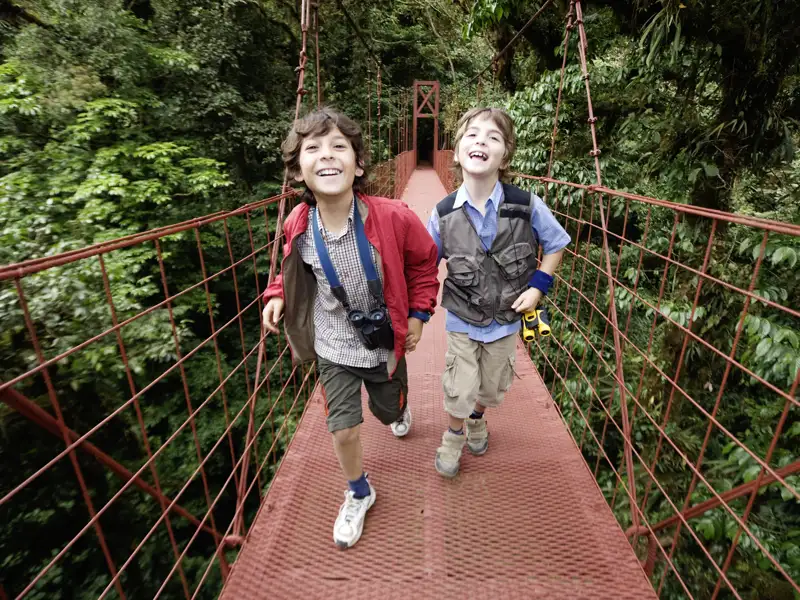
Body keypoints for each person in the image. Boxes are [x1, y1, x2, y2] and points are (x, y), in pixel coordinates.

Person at [261, 108, 439, 548]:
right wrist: (278, 294)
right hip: (333, 343)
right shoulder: (298, 225)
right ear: (299, 170)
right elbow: (296, 268)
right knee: (343, 427)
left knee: (388, 412)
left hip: (383, 343)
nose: (327, 155)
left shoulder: (394, 216)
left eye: (339, 146)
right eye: (313, 148)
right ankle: (359, 491)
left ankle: (399, 407)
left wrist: (418, 315)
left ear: (358, 165)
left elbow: (424, 264)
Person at [427, 107, 571, 478]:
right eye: (471, 135)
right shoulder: (442, 214)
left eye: (493, 137)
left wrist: (539, 288)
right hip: (462, 314)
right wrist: (414, 311)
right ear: (456, 152)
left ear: (505, 154)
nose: (481, 142)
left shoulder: (526, 205)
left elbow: (555, 244)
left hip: (506, 318)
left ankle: (478, 419)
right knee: (460, 386)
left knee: (491, 388)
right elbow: (425, 263)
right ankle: (454, 434)